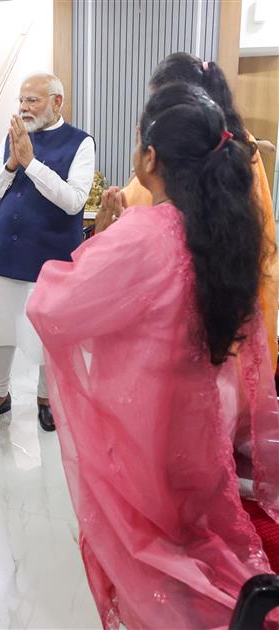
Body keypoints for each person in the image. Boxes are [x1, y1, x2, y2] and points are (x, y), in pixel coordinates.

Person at [27, 82, 279, 628]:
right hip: (198, 417)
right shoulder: (224, 231)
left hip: (145, 429)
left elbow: (53, 306)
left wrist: (99, 236)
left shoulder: (144, 234)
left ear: (150, 157)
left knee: (156, 557)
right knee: (194, 535)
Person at [97, 53, 279, 371]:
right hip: (159, 316)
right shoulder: (167, 151)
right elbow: (139, 199)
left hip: (204, 307)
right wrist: (116, 221)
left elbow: (249, 237)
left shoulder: (231, 152)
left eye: (163, 104)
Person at [0, 73, 95, 431]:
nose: (24, 108)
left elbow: (74, 202)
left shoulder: (80, 142)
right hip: (8, 250)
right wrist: (13, 162)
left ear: (57, 102)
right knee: (0, 327)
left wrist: (32, 164)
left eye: (33, 100)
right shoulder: (13, 139)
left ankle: (45, 398)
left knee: (47, 333)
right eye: (21, 100)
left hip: (51, 255)